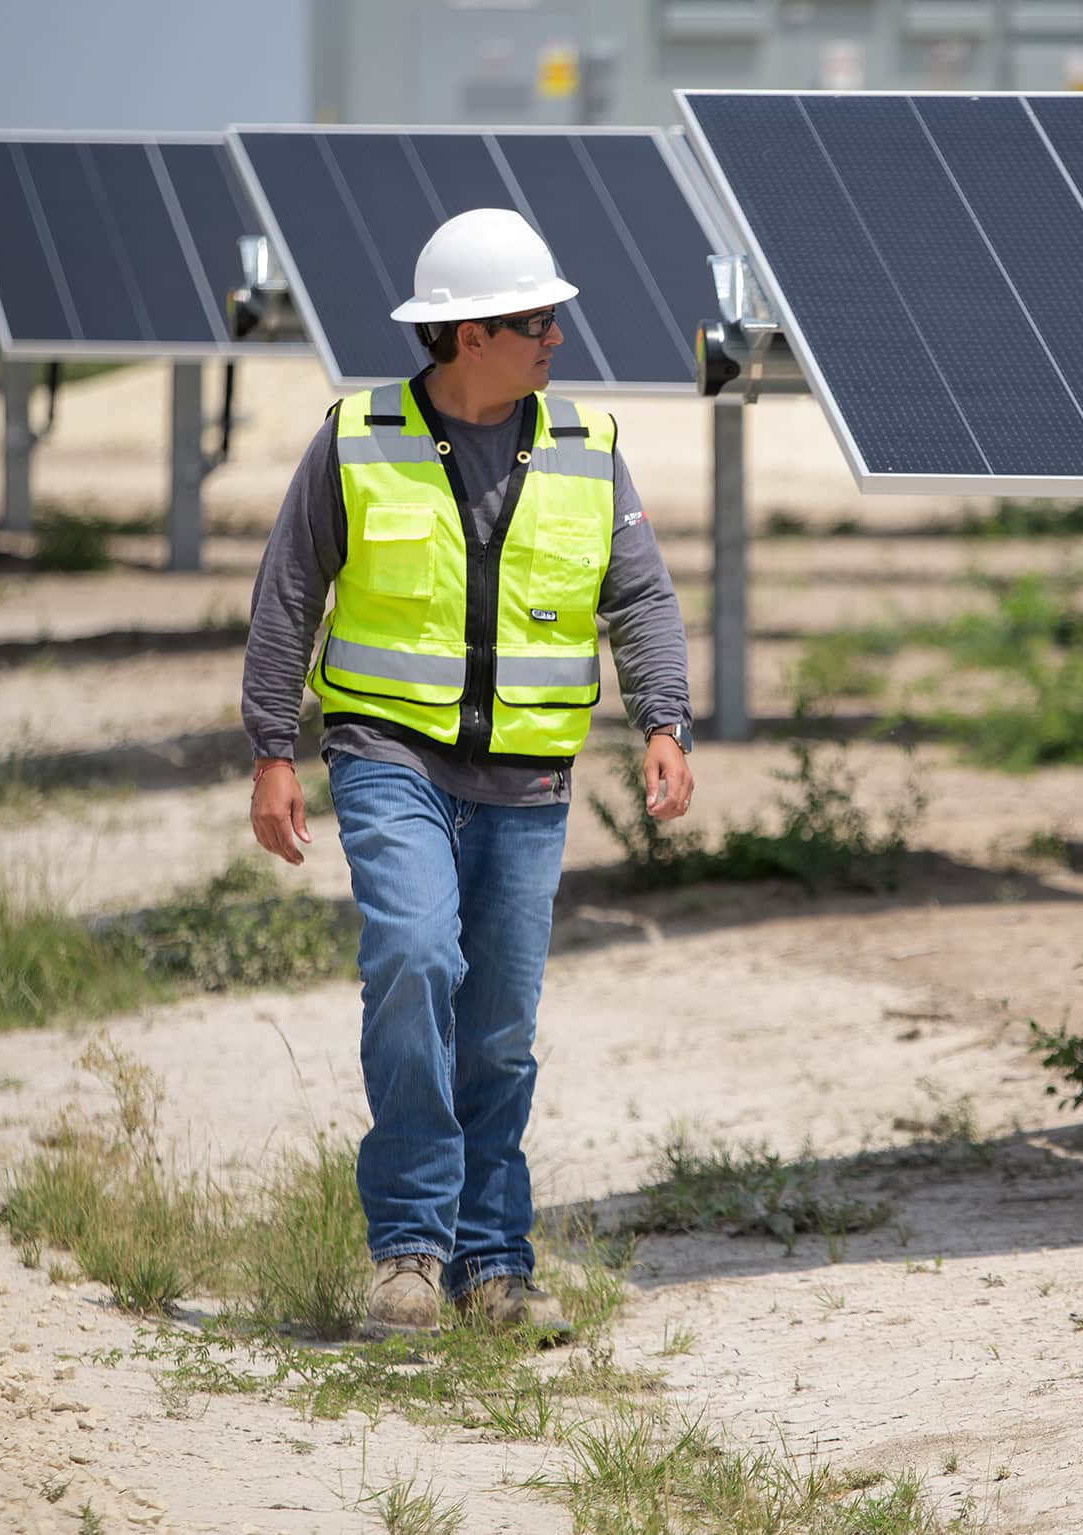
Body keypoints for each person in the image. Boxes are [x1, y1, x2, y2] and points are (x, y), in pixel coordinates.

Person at [240, 207, 695, 1339]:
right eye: (531, 319)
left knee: (496, 1028)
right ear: (463, 335)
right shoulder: (354, 436)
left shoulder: (587, 444)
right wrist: (269, 747)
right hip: (387, 753)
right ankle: (408, 1250)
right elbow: (290, 590)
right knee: (410, 955)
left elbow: (637, 596)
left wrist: (663, 721)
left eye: (553, 316)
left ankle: (494, 1268)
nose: (554, 335)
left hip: (531, 777)